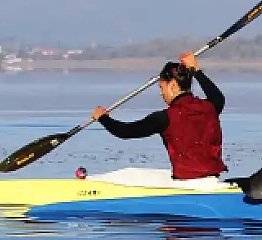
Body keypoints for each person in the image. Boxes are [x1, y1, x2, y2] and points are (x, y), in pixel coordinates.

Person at [91, 52, 226, 180]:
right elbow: (218, 97)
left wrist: (103, 118)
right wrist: (196, 69)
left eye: (161, 87)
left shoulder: (164, 118)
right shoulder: (210, 107)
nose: (161, 93)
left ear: (172, 85)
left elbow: (125, 131)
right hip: (213, 180)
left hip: (187, 185)